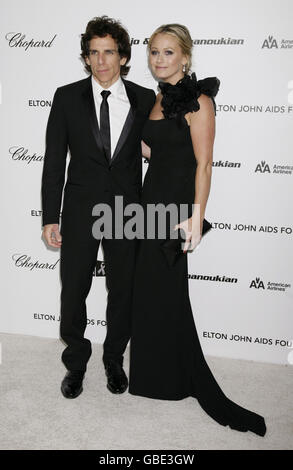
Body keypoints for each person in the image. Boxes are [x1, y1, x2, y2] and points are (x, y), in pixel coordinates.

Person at [128, 23, 267, 437]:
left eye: (168, 53)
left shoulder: (199, 100)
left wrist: (196, 217)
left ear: (185, 57)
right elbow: (159, 148)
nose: (159, 59)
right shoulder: (153, 100)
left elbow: (203, 163)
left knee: (169, 291)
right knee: (150, 291)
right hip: (148, 203)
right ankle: (154, 379)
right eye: (154, 52)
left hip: (175, 208)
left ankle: (179, 378)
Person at [41, 15, 156, 398]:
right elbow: (55, 161)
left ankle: (113, 360)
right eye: (94, 52)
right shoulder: (66, 96)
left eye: (109, 52)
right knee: (74, 288)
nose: (101, 60)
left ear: (123, 57)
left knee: (123, 289)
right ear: (86, 57)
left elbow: (159, 149)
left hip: (127, 210)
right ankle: (76, 361)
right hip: (78, 210)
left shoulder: (143, 97)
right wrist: (48, 217)